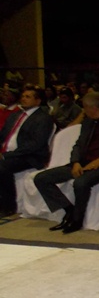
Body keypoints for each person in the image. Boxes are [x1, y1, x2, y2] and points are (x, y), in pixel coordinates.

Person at [34, 92, 99, 234]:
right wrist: (75, 161)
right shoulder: (88, 122)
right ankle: (69, 210)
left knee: (80, 183)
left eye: (85, 108)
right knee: (41, 178)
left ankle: (77, 220)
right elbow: (78, 144)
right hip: (83, 162)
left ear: (93, 108)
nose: (83, 111)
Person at [0, 88, 53, 217]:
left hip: (30, 156)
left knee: (2, 167)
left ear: (38, 101)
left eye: (28, 97)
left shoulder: (43, 118)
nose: (23, 99)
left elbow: (35, 144)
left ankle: (8, 206)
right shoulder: (16, 115)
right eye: (23, 96)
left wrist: (6, 155)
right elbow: (2, 136)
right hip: (9, 152)